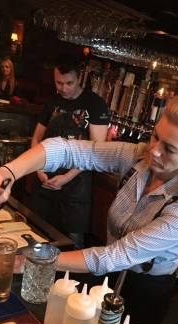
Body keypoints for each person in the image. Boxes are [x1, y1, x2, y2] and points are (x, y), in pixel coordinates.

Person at [0, 90, 178, 324]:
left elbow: (116, 256)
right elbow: (67, 150)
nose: (154, 150)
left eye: (169, 149)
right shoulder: (139, 157)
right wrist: (7, 173)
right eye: (156, 136)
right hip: (108, 274)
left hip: (144, 291)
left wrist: (38, 259)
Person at [30, 54, 110, 248]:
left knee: (72, 243)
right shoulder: (52, 102)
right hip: (44, 179)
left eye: (69, 83)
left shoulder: (95, 104)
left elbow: (95, 151)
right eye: (59, 83)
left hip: (76, 186)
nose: (63, 88)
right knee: (37, 237)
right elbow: (36, 139)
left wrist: (66, 178)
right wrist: (38, 169)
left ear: (79, 78)